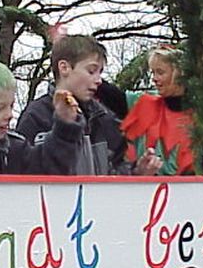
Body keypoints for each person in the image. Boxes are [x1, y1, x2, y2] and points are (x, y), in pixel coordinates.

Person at [16, 34, 160, 175]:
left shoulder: (104, 119)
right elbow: (24, 172)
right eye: (91, 71)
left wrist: (137, 172)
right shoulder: (36, 116)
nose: (98, 80)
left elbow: (115, 171)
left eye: (100, 72)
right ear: (64, 68)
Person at [120, 44, 203, 175]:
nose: (154, 78)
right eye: (153, 72)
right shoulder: (143, 103)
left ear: (178, 74)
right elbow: (106, 93)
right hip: (151, 191)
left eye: (160, 72)